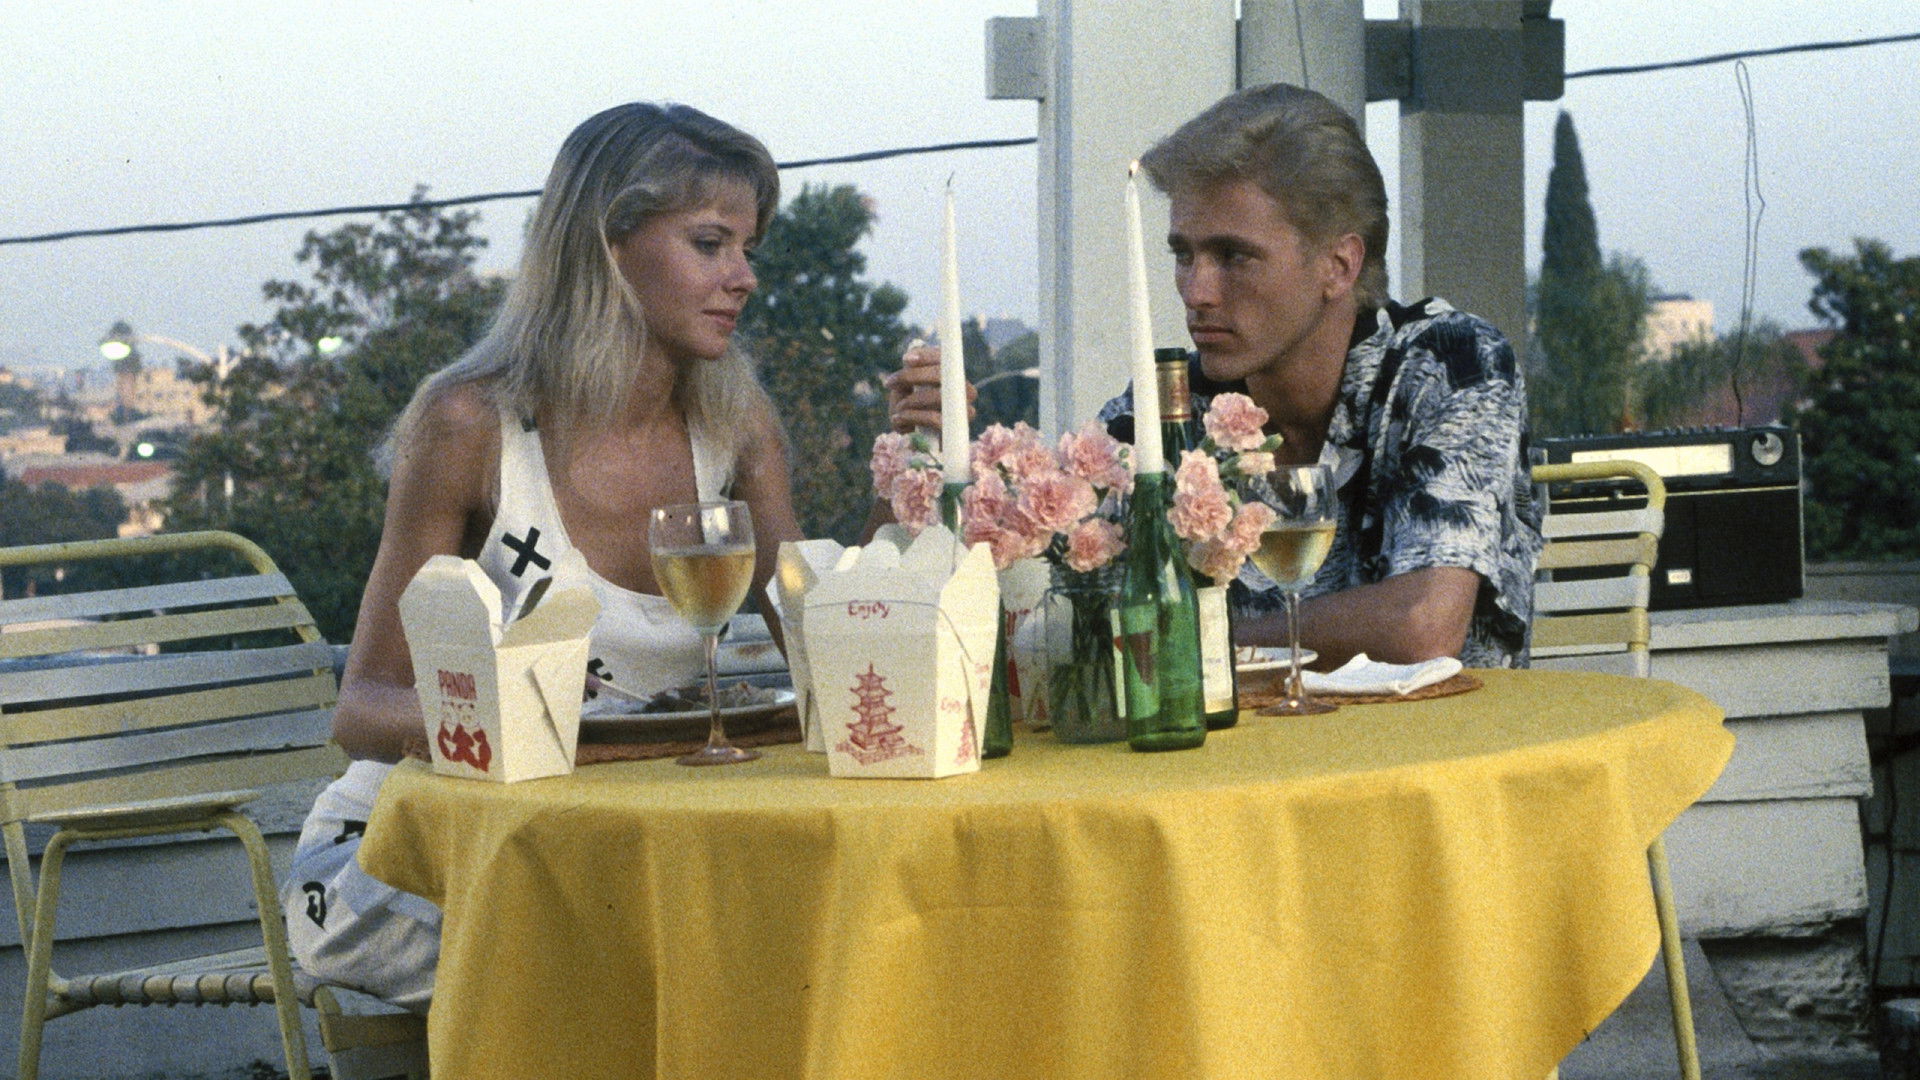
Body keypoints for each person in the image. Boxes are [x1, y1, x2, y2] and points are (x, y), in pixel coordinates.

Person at [280, 101, 803, 1010]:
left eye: (748, 249)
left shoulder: (734, 427)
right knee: (653, 971)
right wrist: (542, 729)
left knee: (774, 944)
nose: (744, 278)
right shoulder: (471, 425)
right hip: (420, 858)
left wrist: (909, 481)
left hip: (622, 857)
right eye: (710, 243)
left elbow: (824, 652)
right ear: (608, 244)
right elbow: (362, 708)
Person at [1098, 82, 1542, 669]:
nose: (1197, 292)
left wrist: (1198, 645)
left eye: (1234, 256)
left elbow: (1422, 625)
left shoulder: (1448, 363)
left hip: (1442, 729)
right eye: (1184, 255)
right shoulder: (1168, 409)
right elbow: (1083, 613)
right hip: (1245, 734)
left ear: (1339, 265)